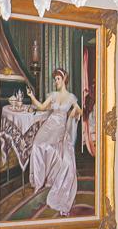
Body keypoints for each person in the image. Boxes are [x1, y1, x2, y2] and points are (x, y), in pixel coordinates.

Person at [26, 67, 87, 215]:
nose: (56, 82)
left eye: (58, 79)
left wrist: (74, 112)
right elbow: (41, 107)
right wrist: (31, 96)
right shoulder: (53, 95)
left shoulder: (71, 97)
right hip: (49, 124)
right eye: (55, 79)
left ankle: (50, 177)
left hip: (60, 127)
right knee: (37, 145)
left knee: (51, 147)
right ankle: (38, 181)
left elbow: (81, 111)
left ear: (64, 79)